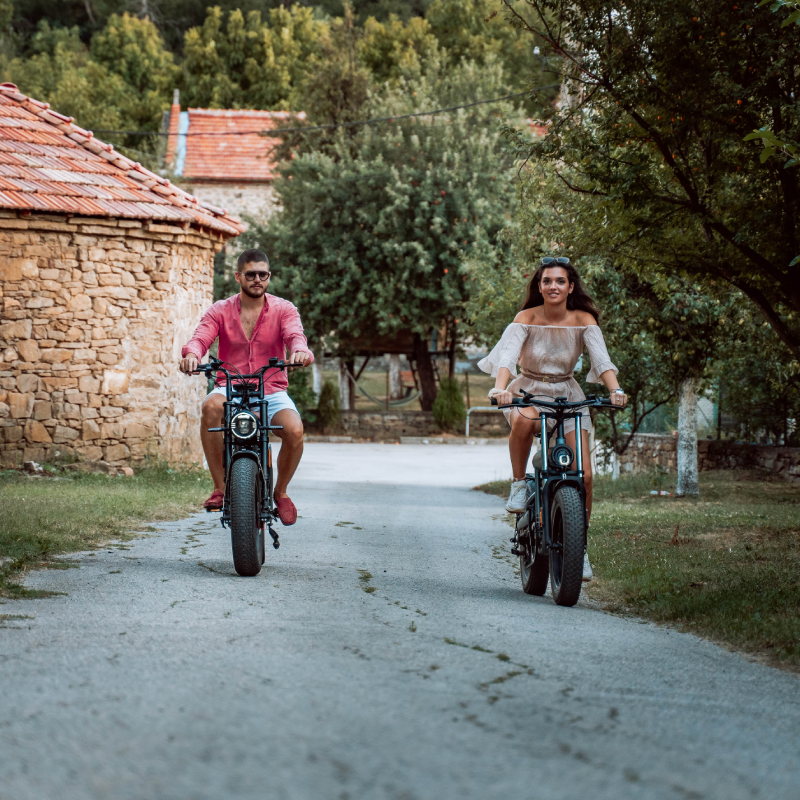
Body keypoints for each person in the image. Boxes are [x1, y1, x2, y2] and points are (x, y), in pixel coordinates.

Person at [477, 257, 627, 581]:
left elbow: (602, 361)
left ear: (570, 286)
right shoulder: (526, 317)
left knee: (584, 477)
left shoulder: (583, 319)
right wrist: (500, 388)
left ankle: (579, 549)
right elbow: (506, 358)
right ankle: (519, 485)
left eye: (560, 281)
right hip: (529, 389)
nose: (553, 286)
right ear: (540, 287)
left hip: (568, 395)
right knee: (524, 421)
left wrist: (615, 390)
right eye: (547, 281)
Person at [179, 248, 313, 525]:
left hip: (271, 388)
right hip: (230, 386)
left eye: (262, 274)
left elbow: (295, 336)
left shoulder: (284, 309)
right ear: (238, 276)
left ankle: (281, 492)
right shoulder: (220, 310)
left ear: (269, 277)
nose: (257, 279)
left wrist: (300, 352)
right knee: (210, 407)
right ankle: (219, 488)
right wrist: (192, 355)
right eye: (250, 274)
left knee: (295, 429)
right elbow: (200, 338)